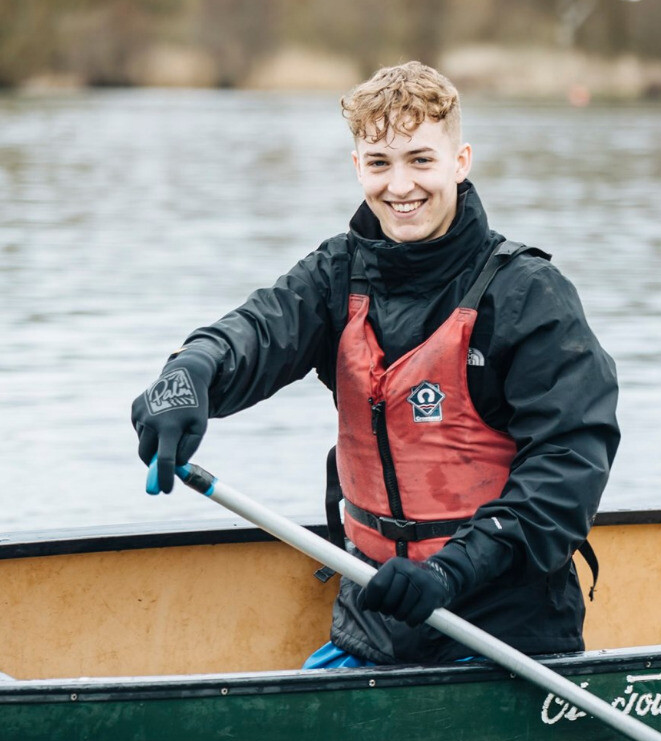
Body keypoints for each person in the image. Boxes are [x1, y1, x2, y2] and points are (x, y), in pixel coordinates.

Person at [131, 61, 620, 667]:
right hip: (375, 618)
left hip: (507, 629)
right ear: (357, 167)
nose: (401, 186)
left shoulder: (528, 294)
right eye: (380, 163)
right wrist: (189, 374)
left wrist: (450, 571)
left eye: (421, 160)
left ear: (460, 161)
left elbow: (570, 463)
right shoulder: (336, 274)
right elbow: (256, 330)